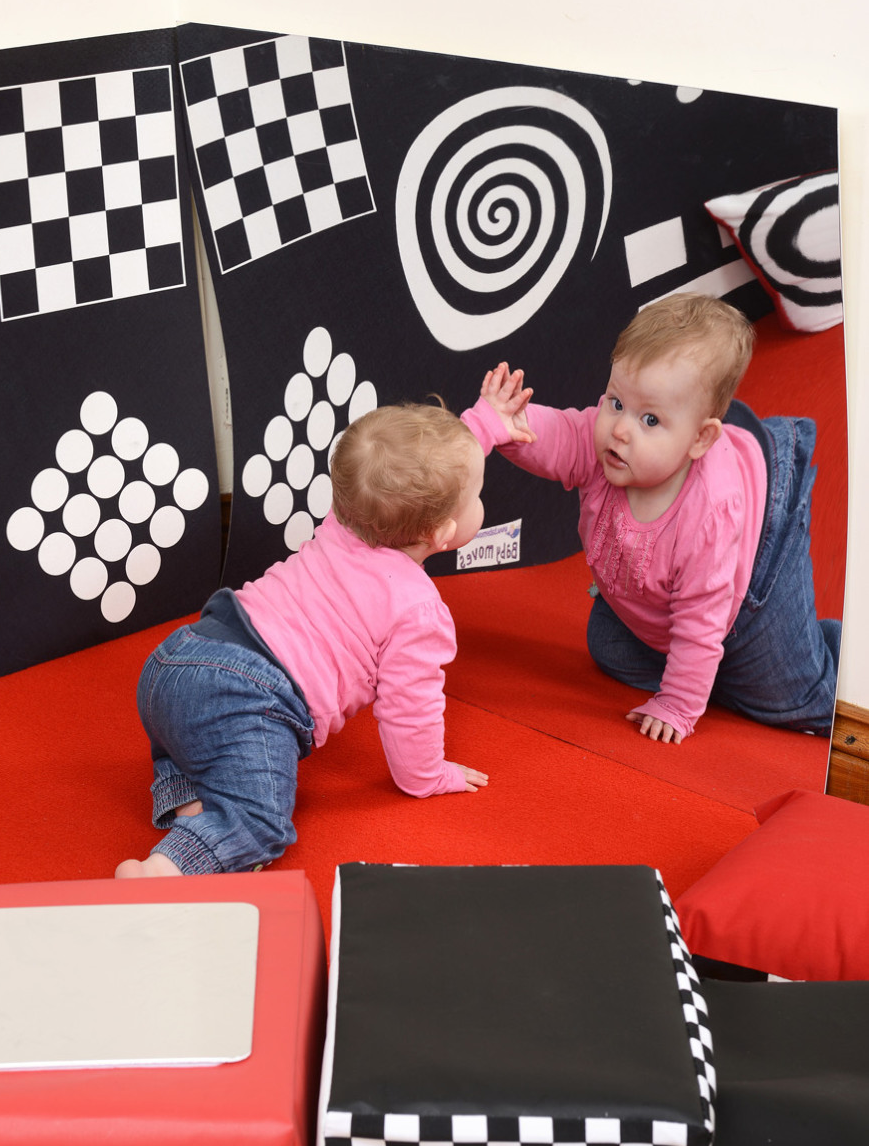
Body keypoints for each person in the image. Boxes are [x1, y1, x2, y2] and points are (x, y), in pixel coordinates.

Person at [116, 403, 488, 877]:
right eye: (478, 495)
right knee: (263, 824)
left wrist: (488, 423)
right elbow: (410, 710)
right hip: (248, 695)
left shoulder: (345, 520)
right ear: (443, 533)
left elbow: (426, 473)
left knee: (187, 733)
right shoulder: (419, 611)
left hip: (176, 659)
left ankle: (194, 804)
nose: (481, 499)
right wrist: (429, 776)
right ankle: (166, 871)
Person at [463, 293, 840, 744]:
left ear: (700, 439)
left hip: (752, 582)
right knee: (610, 648)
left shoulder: (708, 513)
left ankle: (825, 654)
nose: (620, 429)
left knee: (795, 700)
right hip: (662, 605)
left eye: (650, 420)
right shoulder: (608, 443)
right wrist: (506, 422)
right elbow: (558, 436)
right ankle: (705, 669)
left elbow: (702, 618)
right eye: (616, 403)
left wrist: (679, 702)